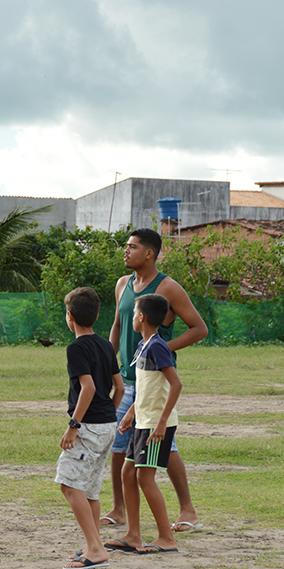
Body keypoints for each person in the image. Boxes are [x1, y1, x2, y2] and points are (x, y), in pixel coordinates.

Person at [102, 228, 208, 533]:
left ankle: (187, 509)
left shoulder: (169, 287)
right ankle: (119, 509)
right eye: (126, 246)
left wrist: (157, 348)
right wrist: (108, 365)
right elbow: (117, 326)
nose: (126, 251)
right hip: (125, 380)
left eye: (132, 247)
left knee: (164, 443)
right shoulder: (123, 284)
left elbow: (198, 328)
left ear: (149, 253)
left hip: (153, 381)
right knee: (119, 443)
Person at [106, 293, 182, 554]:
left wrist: (161, 424)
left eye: (134, 313)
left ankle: (166, 538)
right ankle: (133, 535)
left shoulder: (158, 346)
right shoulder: (142, 346)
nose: (131, 318)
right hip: (142, 422)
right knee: (128, 473)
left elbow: (175, 384)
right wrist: (131, 414)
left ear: (141, 317)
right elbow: (146, 386)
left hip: (155, 425)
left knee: (144, 477)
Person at [57, 288, 125, 569]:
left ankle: (96, 550)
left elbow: (88, 387)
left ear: (69, 317)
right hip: (108, 424)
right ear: (96, 316)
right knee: (90, 491)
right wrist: (109, 412)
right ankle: (92, 544)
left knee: (69, 484)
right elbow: (119, 387)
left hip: (89, 427)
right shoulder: (106, 346)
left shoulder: (76, 348)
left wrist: (74, 425)